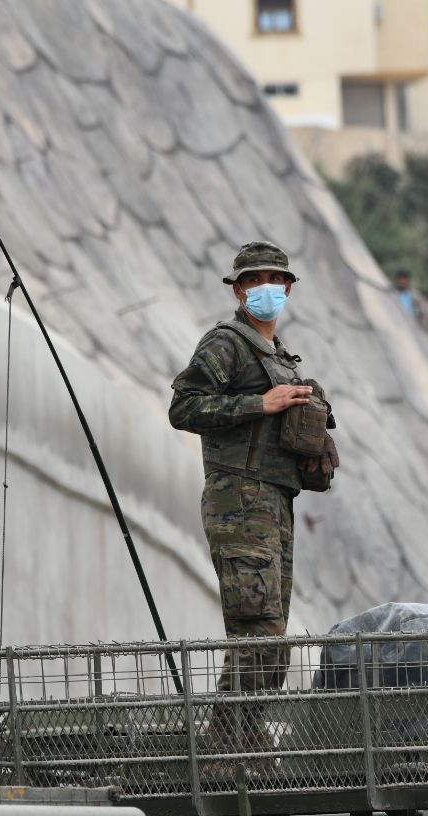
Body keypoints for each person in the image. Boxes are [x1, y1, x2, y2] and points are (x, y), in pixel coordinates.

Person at [169, 241, 338, 751]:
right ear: (239, 290)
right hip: (237, 498)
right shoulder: (227, 344)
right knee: (257, 626)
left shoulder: (281, 356)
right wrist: (259, 404)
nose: (267, 289)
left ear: (288, 288)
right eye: (255, 280)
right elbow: (184, 407)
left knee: (271, 631)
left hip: (273, 501)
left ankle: (243, 731)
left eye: (276, 280)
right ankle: (227, 737)